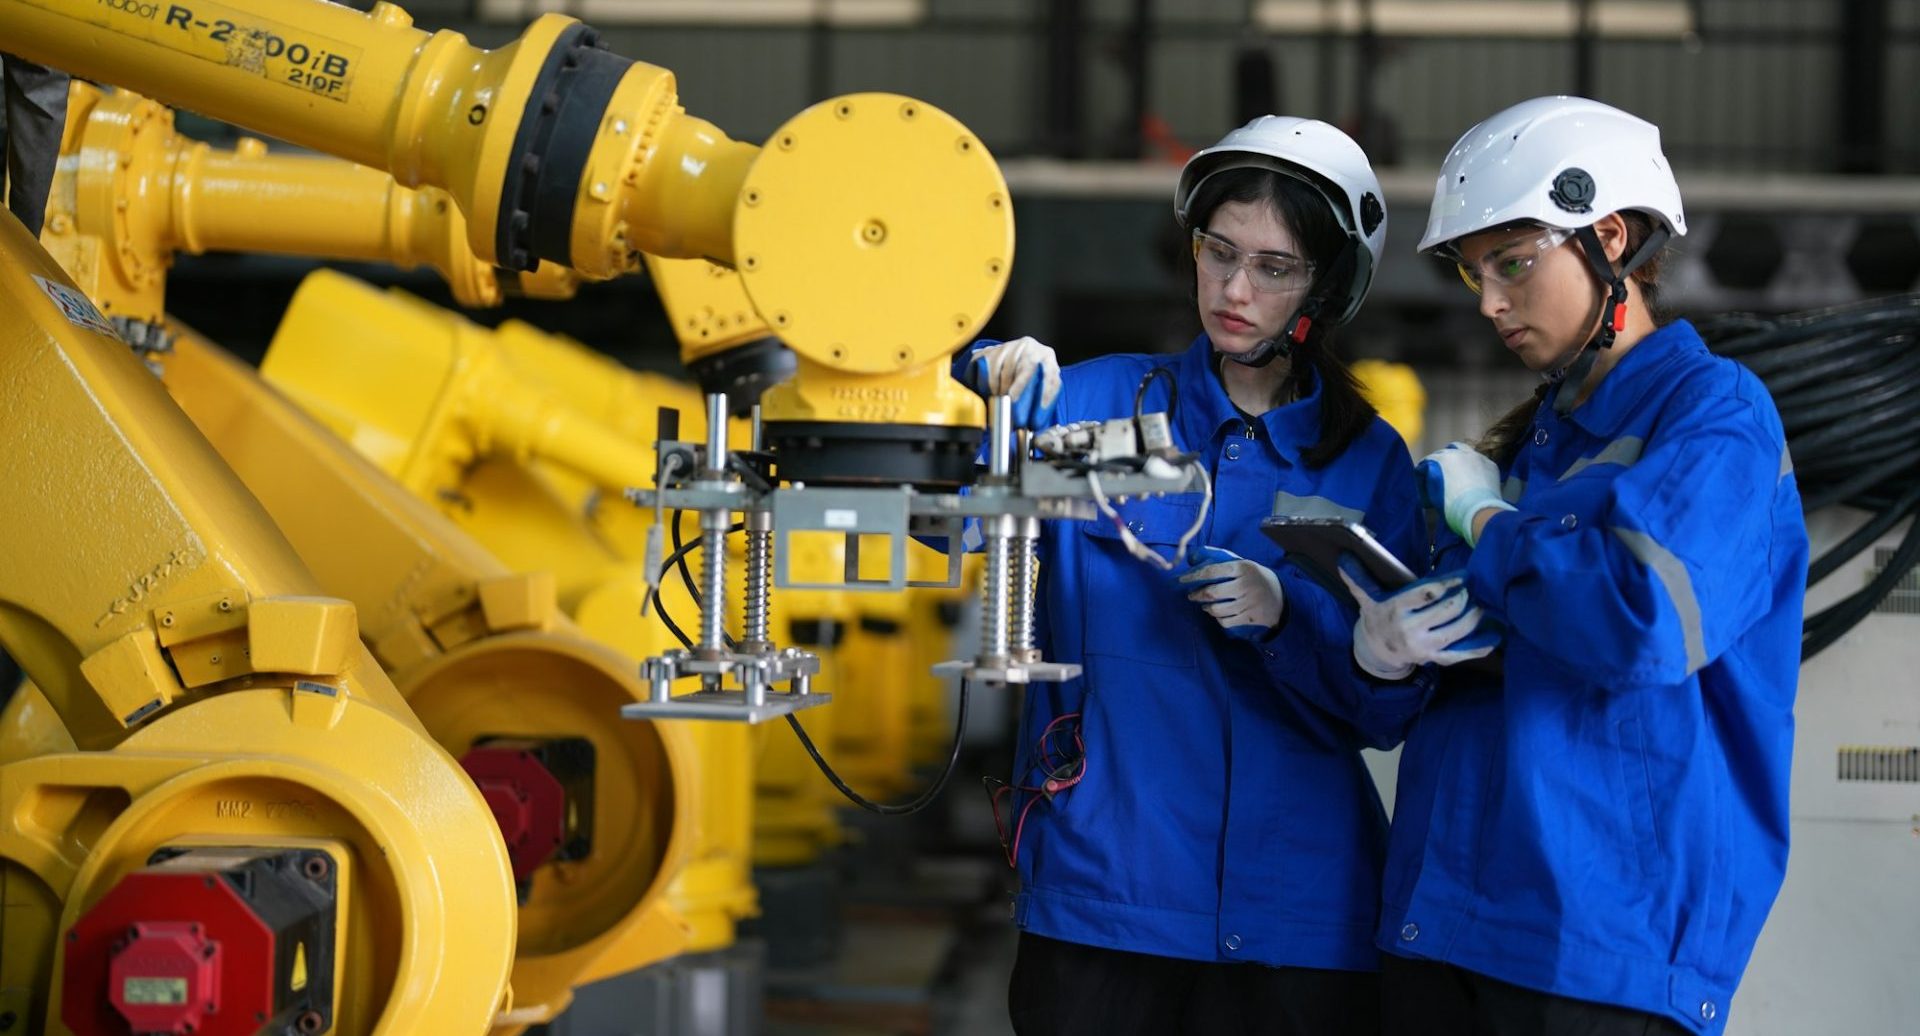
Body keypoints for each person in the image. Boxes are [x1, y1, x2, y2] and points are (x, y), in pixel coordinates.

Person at [1344, 96, 1810, 1036]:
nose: (1489, 303)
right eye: (1477, 275)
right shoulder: (1536, 449)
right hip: (1445, 926)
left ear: (1608, 237)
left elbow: (1640, 619)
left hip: (1597, 951)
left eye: (1513, 264)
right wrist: (1381, 647)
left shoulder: (1715, 415)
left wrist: (1485, 521)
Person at [953, 116, 1419, 1036]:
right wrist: (982, 388)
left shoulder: (1367, 465)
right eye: (1218, 252)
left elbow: (1389, 711)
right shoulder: (1087, 404)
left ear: (1326, 284)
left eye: (1274, 267)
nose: (1234, 289)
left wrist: (1291, 620)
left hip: (1300, 916)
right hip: (1103, 896)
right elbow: (941, 520)